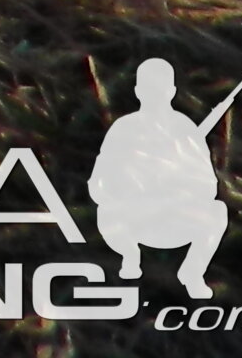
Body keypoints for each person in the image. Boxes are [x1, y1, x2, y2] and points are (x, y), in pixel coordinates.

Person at [90, 58, 230, 298]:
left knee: (217, 212)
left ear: (172, 91)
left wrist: (179, 187)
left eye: (160, 88)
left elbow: (209, 184)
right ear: (138, 91)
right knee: (106, 212)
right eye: (149, 88)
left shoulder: (185, 129)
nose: (155, 95)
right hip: (133, 218)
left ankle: (193, 271)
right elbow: (99, 181)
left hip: (177, 217)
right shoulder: (124, 129)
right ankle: (130, 257)